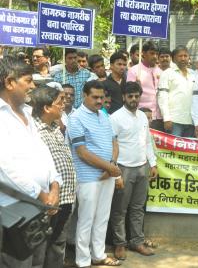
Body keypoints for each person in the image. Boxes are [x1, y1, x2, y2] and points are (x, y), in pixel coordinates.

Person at [0, 57, 61, 268]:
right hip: (14, 211)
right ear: (9, 82)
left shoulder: (27, 112)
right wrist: (42, 195)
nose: (33, 86)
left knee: (37, 263)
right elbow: (4, 168)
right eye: (28, 80)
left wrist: (54, 184)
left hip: (40, 208)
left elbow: (42, 151)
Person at [67, 80, 122, 268]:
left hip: (107, 174)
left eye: (102, 97)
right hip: (88, 177)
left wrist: (112, 165)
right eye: (95, 97)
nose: (99, 101)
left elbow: (114, 142)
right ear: (84, 96)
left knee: (102, 217)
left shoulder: (104, 115)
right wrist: (109, 168)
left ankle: (98, 255)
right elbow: (82, 152)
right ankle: (82, 261)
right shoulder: (76, 118)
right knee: (86, 220)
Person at [110, 81, 158, 260]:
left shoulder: (142, 117)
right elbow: (111, 147)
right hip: (123, 168)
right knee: (120, 210)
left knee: (138, 208)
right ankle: (119, 244)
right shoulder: (115, 118)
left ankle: (137, 241)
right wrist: (116, 173)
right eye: (130, 96)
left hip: (141, 167)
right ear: (123, 97)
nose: (134, 99)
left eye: (136, 96)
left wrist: (152, 164)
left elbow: (147, 142)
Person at [31, 86, 76, 268]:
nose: (63, 105)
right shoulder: (33, 131)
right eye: (60, 102)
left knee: (58, 244)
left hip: (64, 198)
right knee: (39, 248)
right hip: (46, 200)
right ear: (47, 107)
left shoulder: (55, 128)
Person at [158, 45, 195, 137]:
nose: (183, 58)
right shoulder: (167, 73)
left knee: (188, 150)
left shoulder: (193, 74)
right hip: (174, 120)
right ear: (173, 59)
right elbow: (162, 97)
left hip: (191, 121)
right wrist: (166, 118)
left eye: (185, 56)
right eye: (180, 56)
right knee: (173, 151)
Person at [127, 41, 163, 131]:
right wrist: (137, 87)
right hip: (142, 115)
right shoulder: (134, 71)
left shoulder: (160, 71)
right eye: (151, 53)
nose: (155, 56)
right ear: (143, 53)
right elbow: (129, 93)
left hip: (159, 116)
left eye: (156, 54)